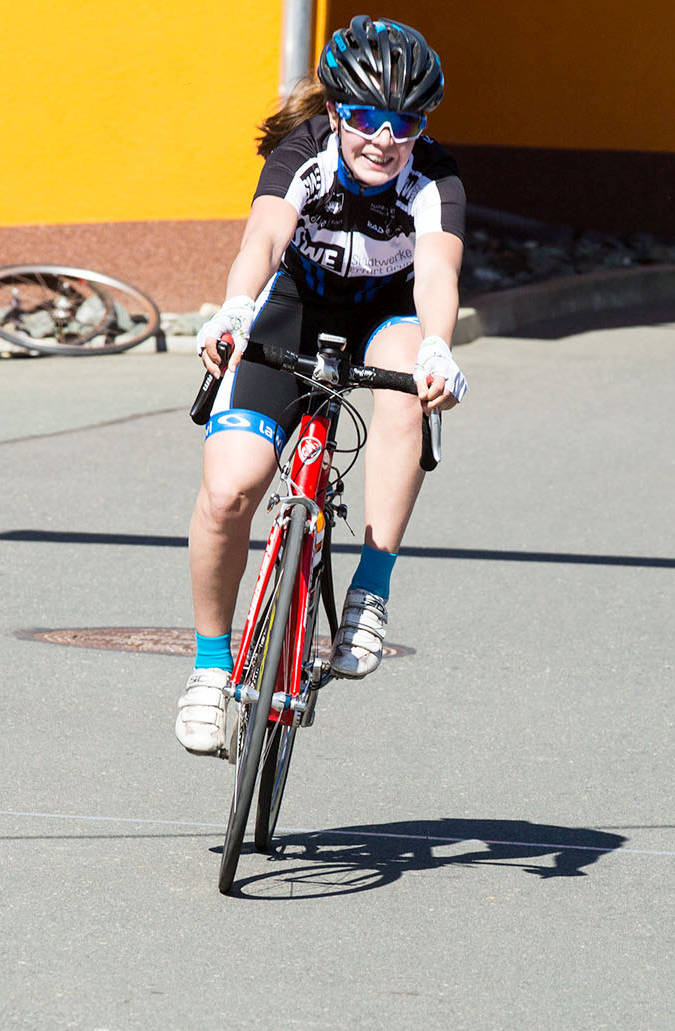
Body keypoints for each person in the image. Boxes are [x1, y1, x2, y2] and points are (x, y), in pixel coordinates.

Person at [175, 16, 468, 756]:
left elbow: (436, 271)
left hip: (386, 314)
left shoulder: (436, 176)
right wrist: (236, 311)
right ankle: (212, 669)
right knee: (228, 492)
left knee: (405, 387)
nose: (384, 138)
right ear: (337, 110)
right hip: (293, 308)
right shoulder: (302, 152)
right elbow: (264, 239)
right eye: (366, 117)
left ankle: (370, 589)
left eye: (405, 123)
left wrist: (437, 348)